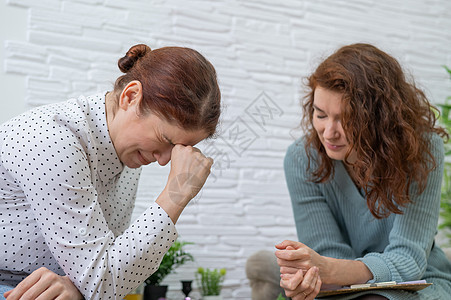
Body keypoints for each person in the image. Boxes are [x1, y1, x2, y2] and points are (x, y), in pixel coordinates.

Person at [0, 43, 221, 300]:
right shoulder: (52, 140)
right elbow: (103, 285)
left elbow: (106, 273)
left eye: (180, 149)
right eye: (166, 140)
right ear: (130, 97)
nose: (163, 161)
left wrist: (78, 287)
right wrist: (176, 195)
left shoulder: (128, 154)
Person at [274, 43, 451, 299]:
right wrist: (313, 275)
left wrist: (329, 270)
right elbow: (327, 255)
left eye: (346, 120)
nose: (329, 133)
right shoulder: (302, 158)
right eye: (320, 115)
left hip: (419, 280)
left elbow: (408, 260)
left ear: (381, 118)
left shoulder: (422, 150)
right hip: (343, 286)